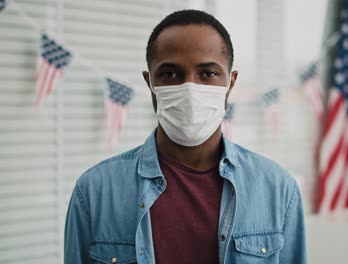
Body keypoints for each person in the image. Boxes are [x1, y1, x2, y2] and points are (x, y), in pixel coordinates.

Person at [64, 9, 307, 264]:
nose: (189, 88)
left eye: (207, 73)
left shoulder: (278, 189)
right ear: (150, 83)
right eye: (170, 74)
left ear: (231, 82)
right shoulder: (94, 191)